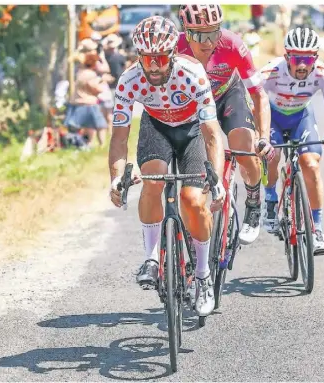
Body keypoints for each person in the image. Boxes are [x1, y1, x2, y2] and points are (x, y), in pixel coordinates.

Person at [108, 16, 226, 317]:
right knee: (152, 181)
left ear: (172, 54)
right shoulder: (129, 80)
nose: (154, 66)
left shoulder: (192, 73)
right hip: (156, 127)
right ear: (139, 57)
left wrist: (218, 180)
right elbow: (119, 138)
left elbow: (212, 133)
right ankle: (150, 258)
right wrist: (115, 178)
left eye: (160, 58)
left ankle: (202, 275)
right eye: (147, 59)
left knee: (192, 200)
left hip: (191, 131)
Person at [177, 5, 275, 246]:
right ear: (186, 33)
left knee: (244, 147)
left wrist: (263, 137)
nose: (209, 41)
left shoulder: (232, 44)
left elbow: (259, 95)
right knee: (198, 162)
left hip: (227, 96)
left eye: (214, 32)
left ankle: (253, 204)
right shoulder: (175, 48)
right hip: (194, 104)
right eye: (200, 35)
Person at [259, 27, 324, 254]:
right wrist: (260, 136)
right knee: (271, 154)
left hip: (301, 117)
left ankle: (317, 229)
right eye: (297, 58)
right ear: (287, 57)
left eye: (308, 58)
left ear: (315, 57)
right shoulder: (270, 73)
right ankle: (269, 199)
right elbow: (253, 104)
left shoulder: (323, 73)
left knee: (311, 165)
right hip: (273, 117)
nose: (303, 65)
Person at [64, 38, 109, 147]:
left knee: (83, 126)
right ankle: (98, 145)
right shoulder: (88, 68)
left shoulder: (78, 64)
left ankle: (85, 144)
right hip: (87, 101)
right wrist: (102, 81)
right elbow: (97, 86)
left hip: (76, 100)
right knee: (100, 125)